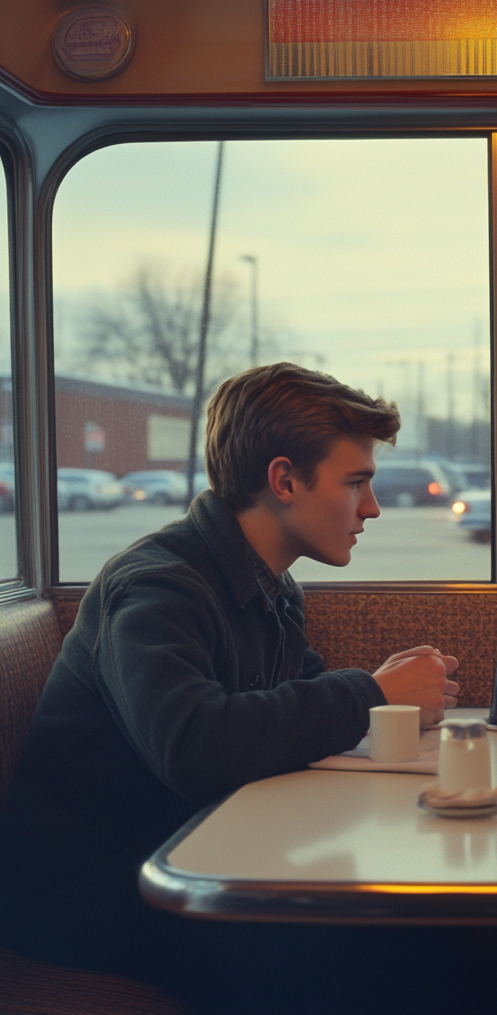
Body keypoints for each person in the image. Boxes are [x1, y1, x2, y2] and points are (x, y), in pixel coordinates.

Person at [0, 363, 462, 1013]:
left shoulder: (270, 589)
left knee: (437, 933)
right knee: (397, 954)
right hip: (93, 892)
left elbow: (293, 713)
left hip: (201, 857)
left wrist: (384, 699)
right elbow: (196, 746)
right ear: (283, 479)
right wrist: (375, 694)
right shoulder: (159, 586)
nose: (372, 507)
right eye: (356, 482)